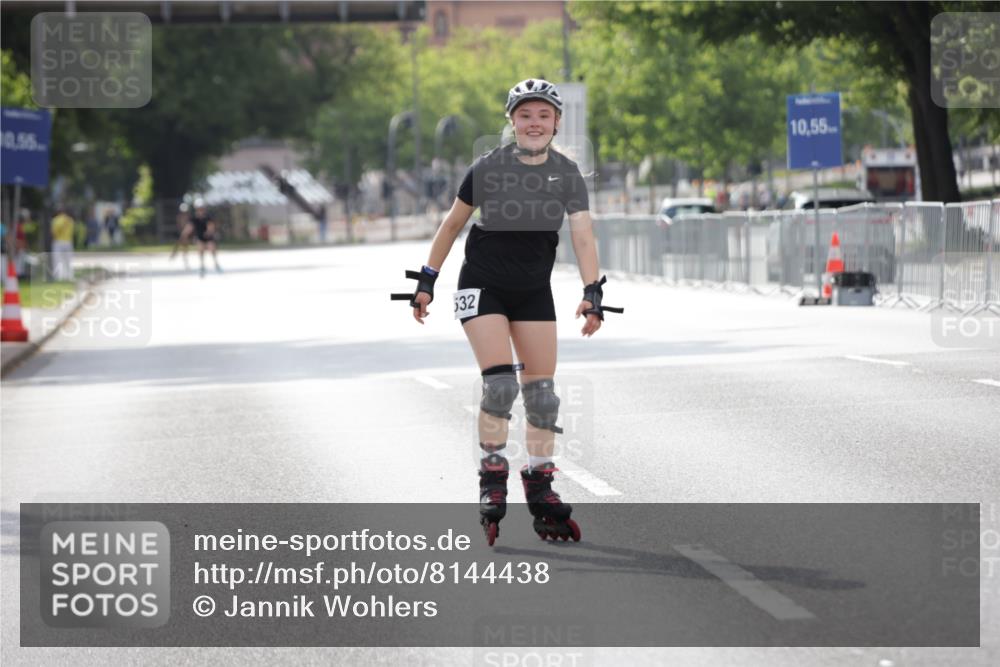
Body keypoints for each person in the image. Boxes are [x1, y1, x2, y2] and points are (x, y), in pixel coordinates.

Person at [392, 78, 622, 545]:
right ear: (511, 121)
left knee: (542, 396)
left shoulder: (568, 175)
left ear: (557, 122)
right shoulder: (487, 168)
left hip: (532, 289)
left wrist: (592, 290)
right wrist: (427, 280)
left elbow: (582, 235)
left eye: (543, 115)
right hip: (483, 285)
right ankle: (492, 478)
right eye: (525, 115)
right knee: (500, 385)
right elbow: (452, 224)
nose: (534, 123)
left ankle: (540, 486)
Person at [189, 199, 222, 277]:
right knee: (200, 250)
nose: (200, 210)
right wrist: (185, 234)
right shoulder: (194, 218)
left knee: (212, 249)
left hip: (208, 237)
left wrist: (209, 232)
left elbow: (211, 226)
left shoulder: (208, 217)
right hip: (200, 237)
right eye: (199, 208)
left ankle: (216, 264)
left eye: (201, 208)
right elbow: (190, 227)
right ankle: (202, 266)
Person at [50, 206, 75, 281]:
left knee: (57, 260)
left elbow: (53, 232)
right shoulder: (70, 220)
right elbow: (72, 231)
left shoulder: (55, 220)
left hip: (58, 241)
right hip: (68, 241)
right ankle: (69, 276)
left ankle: (58, 277)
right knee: (68, 260)